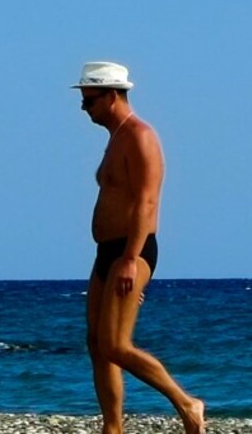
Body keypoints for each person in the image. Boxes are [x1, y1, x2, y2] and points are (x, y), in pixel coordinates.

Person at [73, 62, 205, 434]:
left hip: (133, 250)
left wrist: (131, 260)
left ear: (112, 96)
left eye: (89, 101)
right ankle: (112, 427)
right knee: (96, 343)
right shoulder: (115, 138)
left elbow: (147, 202)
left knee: (115, 344)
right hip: (108, 252)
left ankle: (186, 403)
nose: (85, 109)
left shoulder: (140, 136)